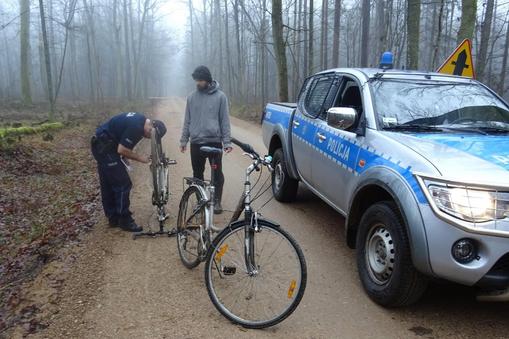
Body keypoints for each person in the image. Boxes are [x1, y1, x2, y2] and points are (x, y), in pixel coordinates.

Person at [91, 112, 167, 232]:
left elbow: (121, 142)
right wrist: (142, 159)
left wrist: (123, 157)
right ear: (152, 127)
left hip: (102, 143)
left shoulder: (139, 120)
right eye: (151, 135)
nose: (148, 138)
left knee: (108, 183)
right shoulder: (136, 127)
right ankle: (124, 219)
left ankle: (113, 218)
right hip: (104, 146)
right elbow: (122, 149)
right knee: (123, 184)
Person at [180, 65, 232, 214]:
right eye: (196, 80)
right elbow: (187, 121)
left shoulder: (220, 97)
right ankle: (200, 201)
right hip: (196, 143)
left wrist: (227, 142)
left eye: (200, 80)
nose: (198, 83)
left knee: (217, 173)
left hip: (214, 142)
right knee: (197, 174)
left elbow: (224, 121)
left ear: (208, 80)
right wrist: (184, 140)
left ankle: (216, 201)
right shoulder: (191, 97)